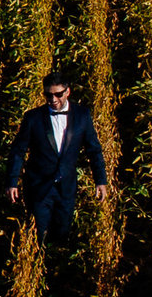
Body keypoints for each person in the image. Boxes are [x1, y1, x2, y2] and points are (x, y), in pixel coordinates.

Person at [6, 71, 109, 242]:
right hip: (39, 187)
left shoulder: (82, 116)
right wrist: (12, 182)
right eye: (48, 95)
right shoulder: (33, 118)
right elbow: (18, 151)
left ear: (67, 92)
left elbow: (94, 150)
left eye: (58, 94)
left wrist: (100, 180)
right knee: (38, 235)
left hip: (66, 188)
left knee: (62, 233)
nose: (53, 99)